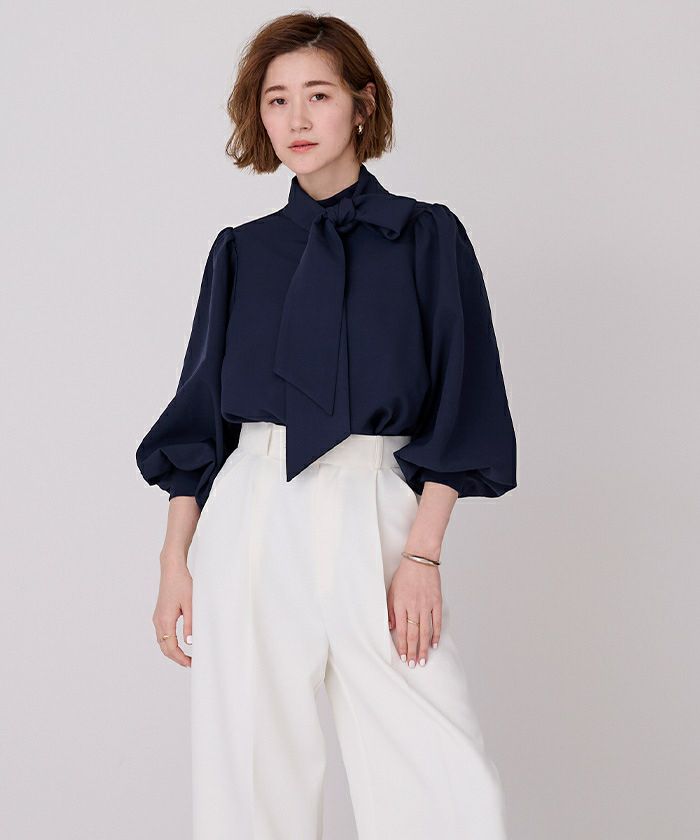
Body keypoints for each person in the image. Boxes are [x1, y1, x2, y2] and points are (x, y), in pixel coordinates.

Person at [135, 12, 517, 840]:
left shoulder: (427, 238)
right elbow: (198, 422)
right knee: (251, 783)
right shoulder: (240, 252)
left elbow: (466, 400)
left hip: (378, 514)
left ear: (362, 104)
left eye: (318, 94)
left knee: (444, 785)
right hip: (251, 516)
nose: (296, 119)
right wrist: (174, 561)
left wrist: (421, 554)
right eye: (276, 99)